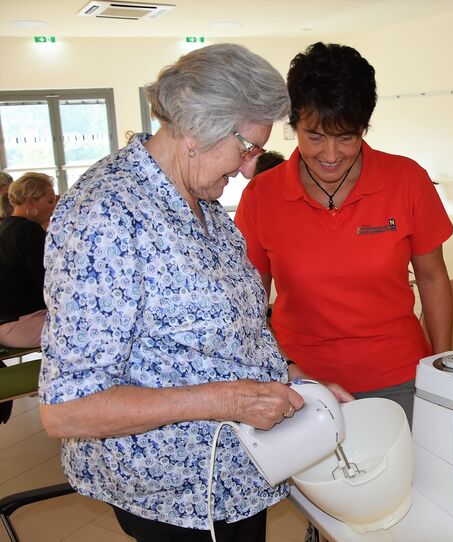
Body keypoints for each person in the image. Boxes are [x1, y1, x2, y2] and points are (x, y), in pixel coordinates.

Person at [38, 44, 302, 542]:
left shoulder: (203, 203)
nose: (250, 170)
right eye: (247, 149)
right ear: (199, 130)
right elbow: (67, 409)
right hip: (178, 497)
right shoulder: (107, 215)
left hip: (236, 476)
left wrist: (294, 382)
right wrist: (226, 399)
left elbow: (229, 333)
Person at [235, 42, 453, 425]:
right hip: (300, 384)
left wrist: (443, 368)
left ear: (364, 128)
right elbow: (248, 304)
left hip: (398, 376)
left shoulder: (406, 181)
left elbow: (433, 277)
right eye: (315, 136)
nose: (331, 154)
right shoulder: (261, 196)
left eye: (347, 137)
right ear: (294, 126)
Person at [0, 172, 56, 348]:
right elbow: (47, 283)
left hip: (8, 323)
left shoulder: (6, 228)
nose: (53, 207)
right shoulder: (28, 231)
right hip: (22, 324)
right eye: (49, 201)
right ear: (29, 201)